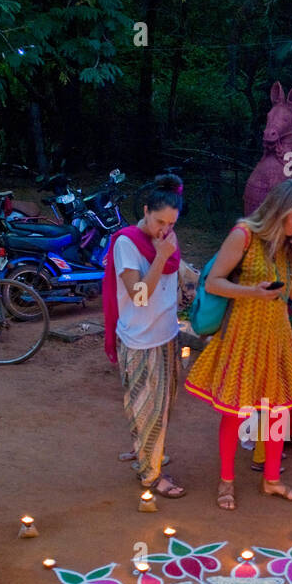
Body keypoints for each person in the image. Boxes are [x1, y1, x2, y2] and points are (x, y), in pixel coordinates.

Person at [184, 178, 292, 509]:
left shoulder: (291, 244)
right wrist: (253, 292)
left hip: (277, 335)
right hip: (243, 333)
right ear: (280, 210)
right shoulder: (244, 235)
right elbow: (213, 283)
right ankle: (226, 482)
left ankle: (272, 480)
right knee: (234, 411)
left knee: (277, 412)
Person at [103, 174, 187, 498]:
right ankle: (152, 476)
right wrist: (163, 255)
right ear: (145, 210)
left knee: (160, 409)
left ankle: (146, 452)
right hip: (139, 341)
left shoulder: (166, 240)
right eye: (159, 221)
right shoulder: (127, 243)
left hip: (166, 337)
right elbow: (139, 296)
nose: (164, 229)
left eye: (171, 223)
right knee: (146, 409)